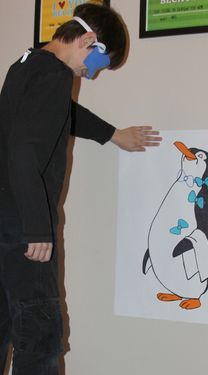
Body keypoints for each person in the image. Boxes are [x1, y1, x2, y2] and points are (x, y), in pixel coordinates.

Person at [0, 3, 162, 374]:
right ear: (89, 41)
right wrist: (38, 226)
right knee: (39, 333)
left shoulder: (26, 64)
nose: (91, 77)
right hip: (22, 227)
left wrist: (112, 135)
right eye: (97, 67)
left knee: (7, 321)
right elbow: (23, 148)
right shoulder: (54, 75)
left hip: (5, 218)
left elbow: (57, 114)